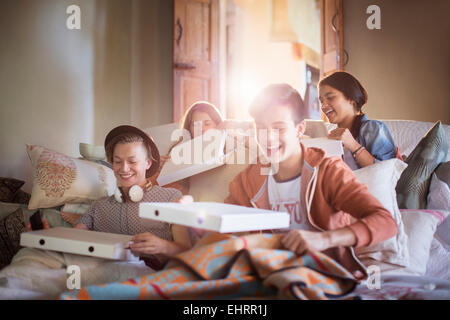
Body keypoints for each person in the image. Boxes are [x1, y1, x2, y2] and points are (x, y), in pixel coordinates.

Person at [224, 83, 398, 280]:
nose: (268, 138)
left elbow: (385, 222)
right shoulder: (248, 179)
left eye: (279, 128)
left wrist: (324, 239)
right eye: (261, 128)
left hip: (323, 276)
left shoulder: (328, 171)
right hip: (267, 276)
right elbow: (219, 229)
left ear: (299, 129)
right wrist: (189, 216)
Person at [28, 125, 192, 270]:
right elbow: (74, 242)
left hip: (146, 275)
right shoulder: (99, 206)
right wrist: (47, 239)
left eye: (132, 161)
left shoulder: (172, 198)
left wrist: (162, 246)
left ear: (148, 163)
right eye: (118, 161)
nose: (124, 168)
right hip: (100, 271)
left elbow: (186, 251)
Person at [318, 71, 399, 170]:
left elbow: (387, 172)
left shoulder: (373, 129)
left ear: (351, 99)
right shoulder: (331, 135)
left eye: (330, 98)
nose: (323, 106)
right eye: (321, 101)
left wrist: (352, 145)